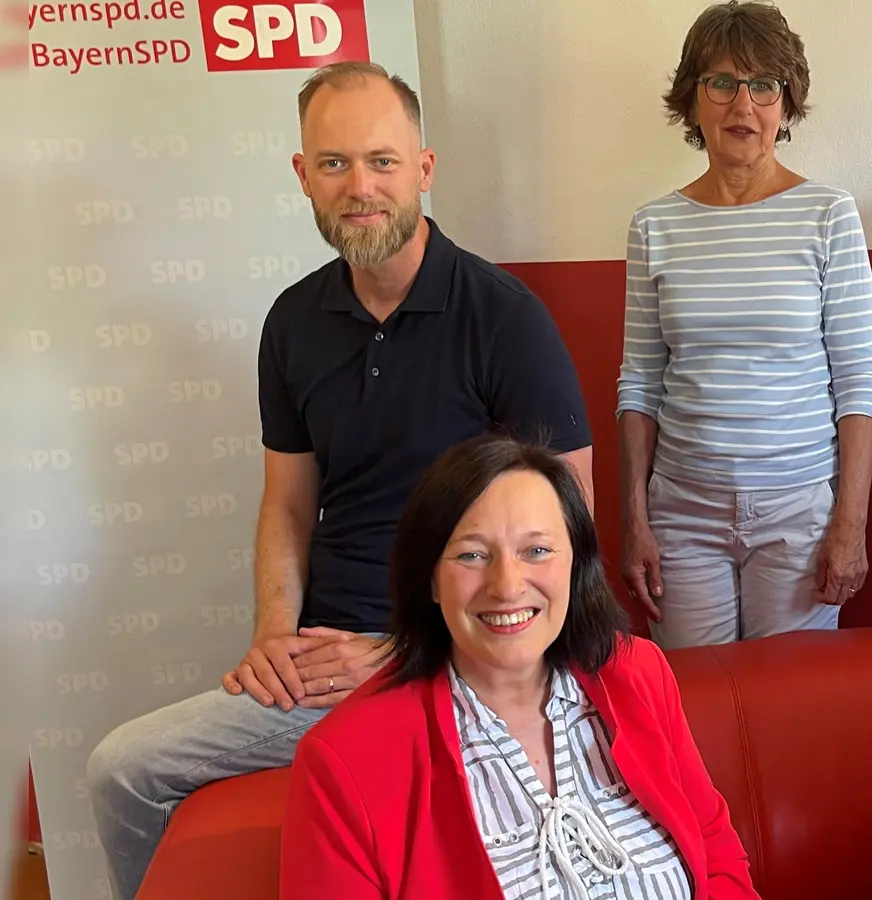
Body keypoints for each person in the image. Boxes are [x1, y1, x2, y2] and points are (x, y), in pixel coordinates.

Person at [85, 62, 593, 900]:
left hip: (463, 656)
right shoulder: (291, 322)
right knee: (121, 770)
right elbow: (286, 506)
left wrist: (409, 656)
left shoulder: (506, 319)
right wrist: (275, 640)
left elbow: (563, 540)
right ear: (302, 176)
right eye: (334, 164)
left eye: (382, 162)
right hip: (322, 659)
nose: (360, 187)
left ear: (423, 170)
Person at [279, 434, 760, 899]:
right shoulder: (345, 759)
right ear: (429, 579)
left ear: (576, 563)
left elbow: (716, 855)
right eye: (472, 555)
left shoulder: (637, 672)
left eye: (537, 551)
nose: (507, 586)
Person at [616, 0, 872, 650]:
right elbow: (640, 384)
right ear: (694, 98)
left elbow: (857, 383)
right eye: (723, 83)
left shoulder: (828, 214)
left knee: (792, 707)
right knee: (696, 706)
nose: (744, 104)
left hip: (798, 513)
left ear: (787, 104)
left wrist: (850, 524)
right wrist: (635, 518)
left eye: (765, 85)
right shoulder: (655, 226)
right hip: (682, 513)